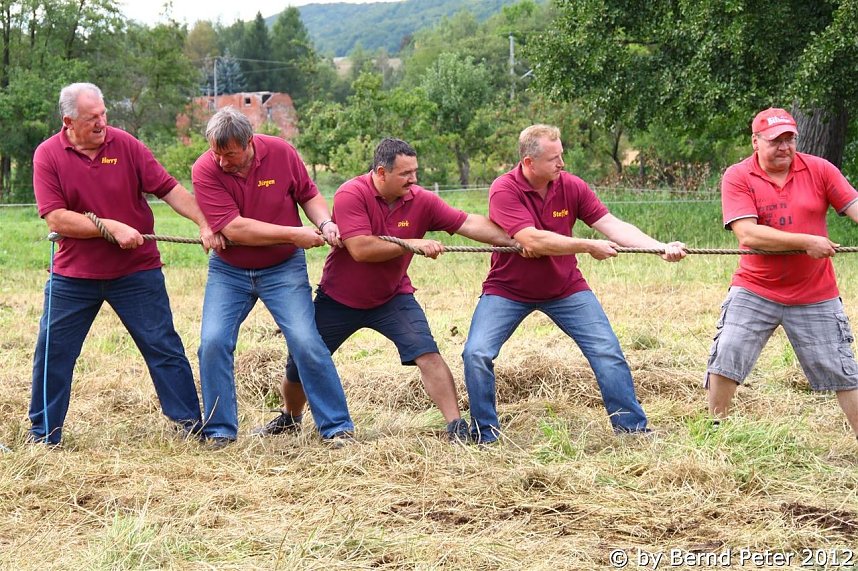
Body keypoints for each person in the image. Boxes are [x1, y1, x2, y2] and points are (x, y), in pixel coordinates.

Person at [253, 138, 521, 443]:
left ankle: (455, 426)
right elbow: (360, 249)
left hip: (393, 297)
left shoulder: (421, 200)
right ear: (381, 172)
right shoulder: (351, 193)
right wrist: (411, 244)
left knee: (427, 354)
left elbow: (467, 223)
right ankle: (290, 417)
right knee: (300, 363)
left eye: (415, 171)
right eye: (405, 173)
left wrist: (516, 240)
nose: (413, 179)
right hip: (339, 299)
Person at [462, 124, 686, 444]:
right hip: (507, 290)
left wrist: (658, 247)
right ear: (529, 163)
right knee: (476, 353)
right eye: (554, 158)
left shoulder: (571, 186)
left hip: (565, 287)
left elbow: (611, 225)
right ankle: (486, 435)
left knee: (607, 352)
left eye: (562, 155)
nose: (562, 163)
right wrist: (587, 245)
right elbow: (532, 240)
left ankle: (632, 430)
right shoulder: (504, 188)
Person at [28, 82, 222, 446]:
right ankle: (44, 435)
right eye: (92, 118)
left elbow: (169, 189)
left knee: (163, 347)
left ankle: (189, 427)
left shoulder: (126, 145)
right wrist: (110, 226)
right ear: (68, 121)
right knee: (53, 352)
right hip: (73, 276)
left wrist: (204, 222)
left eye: (103, 114)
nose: (102, 122)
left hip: (136, 271)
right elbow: (56, 218)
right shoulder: (48, 155)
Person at [191, 106, 354, 448]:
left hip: (283, 267)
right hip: (229, 270)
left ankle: (337, 427)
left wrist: (325, 223)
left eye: (229, 154)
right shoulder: (205, 168)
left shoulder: (281, 152)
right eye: (216, 152)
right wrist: (294, 234)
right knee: (213, 342)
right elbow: (234, 228)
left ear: (249, 142)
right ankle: (220, 430)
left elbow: (308, 194)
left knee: (305, 340)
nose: (221, 161)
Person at [705, 107, 858, 441]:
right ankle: (715, 434)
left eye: (790, 139)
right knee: (727, 352)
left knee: (842, 368)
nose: (784, 147)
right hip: (755, 288)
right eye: (775, 140)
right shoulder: (738, 176)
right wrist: (807, 242)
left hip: (815, 292)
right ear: (755, 141)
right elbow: (748, 234)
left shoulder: (819, 169)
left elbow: (854, 206)